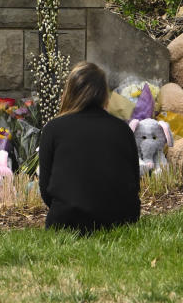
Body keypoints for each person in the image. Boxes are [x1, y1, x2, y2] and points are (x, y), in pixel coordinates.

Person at [38, 61, 140, 233]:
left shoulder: (53, 129)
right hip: (121, 220)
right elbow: (134, 182)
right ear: (104, 95)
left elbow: (46, 189)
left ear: (69, 92)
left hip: (67, 221)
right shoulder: (122, 129)